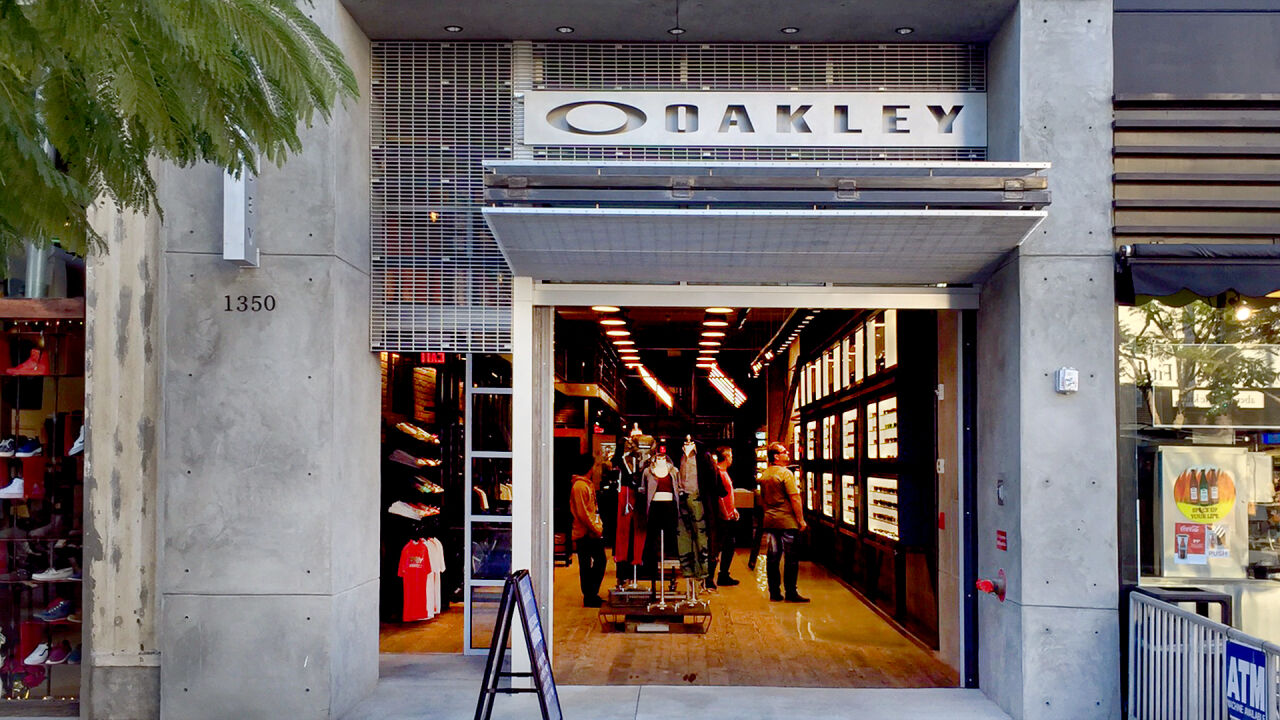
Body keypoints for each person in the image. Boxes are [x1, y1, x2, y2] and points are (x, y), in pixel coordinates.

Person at [758, 442, 808, 602]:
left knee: (773, 557)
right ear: (776, 456)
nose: (787, 453)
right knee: (791, 558)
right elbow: (795, 498)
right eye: (783, 451)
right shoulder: (785, 474)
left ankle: (774, 592)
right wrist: (801, 520)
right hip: (787, 521)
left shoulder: (765, 474)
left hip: (770, 520)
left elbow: (762, 498)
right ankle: (791, 592)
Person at [569, 452, 606, 607]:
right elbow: (583, 513)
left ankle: (591, 594)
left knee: (595, 562)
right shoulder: (580, 486)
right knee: (590, 563)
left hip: (589, 531)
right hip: (585, 532)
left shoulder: (585, 485)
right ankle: (589, 595)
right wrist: (596, 528)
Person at [708, 446, 741, 586]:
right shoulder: (719, 473)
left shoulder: (723, 473)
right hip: (723, 517)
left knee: (728, 544)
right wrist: (726, 513)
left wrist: (733, 509)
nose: (732, 458)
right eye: (731, 455)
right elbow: (720, 496)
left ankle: (722, 574)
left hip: (727, 514)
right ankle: (713, 577)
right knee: (720, 545)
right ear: (726, 457)